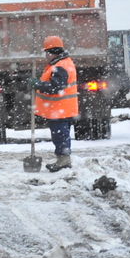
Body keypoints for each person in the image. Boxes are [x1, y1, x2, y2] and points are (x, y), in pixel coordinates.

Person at [33, 35, 78, 172]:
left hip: (60, 109)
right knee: (61, 134)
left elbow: (56, 87)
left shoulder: (60, 67)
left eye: (46, 52)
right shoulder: (62, 63)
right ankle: (63, 159)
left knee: (60, 135)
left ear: (52, 52)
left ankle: (63, 160)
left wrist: (38, 84)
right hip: (62, 109)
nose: (45, 56)